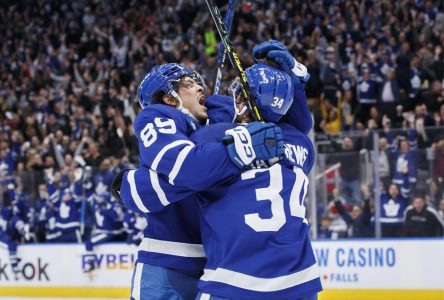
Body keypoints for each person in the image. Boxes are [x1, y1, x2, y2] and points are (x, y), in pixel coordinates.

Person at [114, 41, 321, 300]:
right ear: (168, 98)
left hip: (217, 259)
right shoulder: (158, 117)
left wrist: (293, 83)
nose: (200, 86)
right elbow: (186, 168)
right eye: (188, 84)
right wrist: (236, 152)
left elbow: (279, 117)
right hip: (170, 259)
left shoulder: (217, 119)